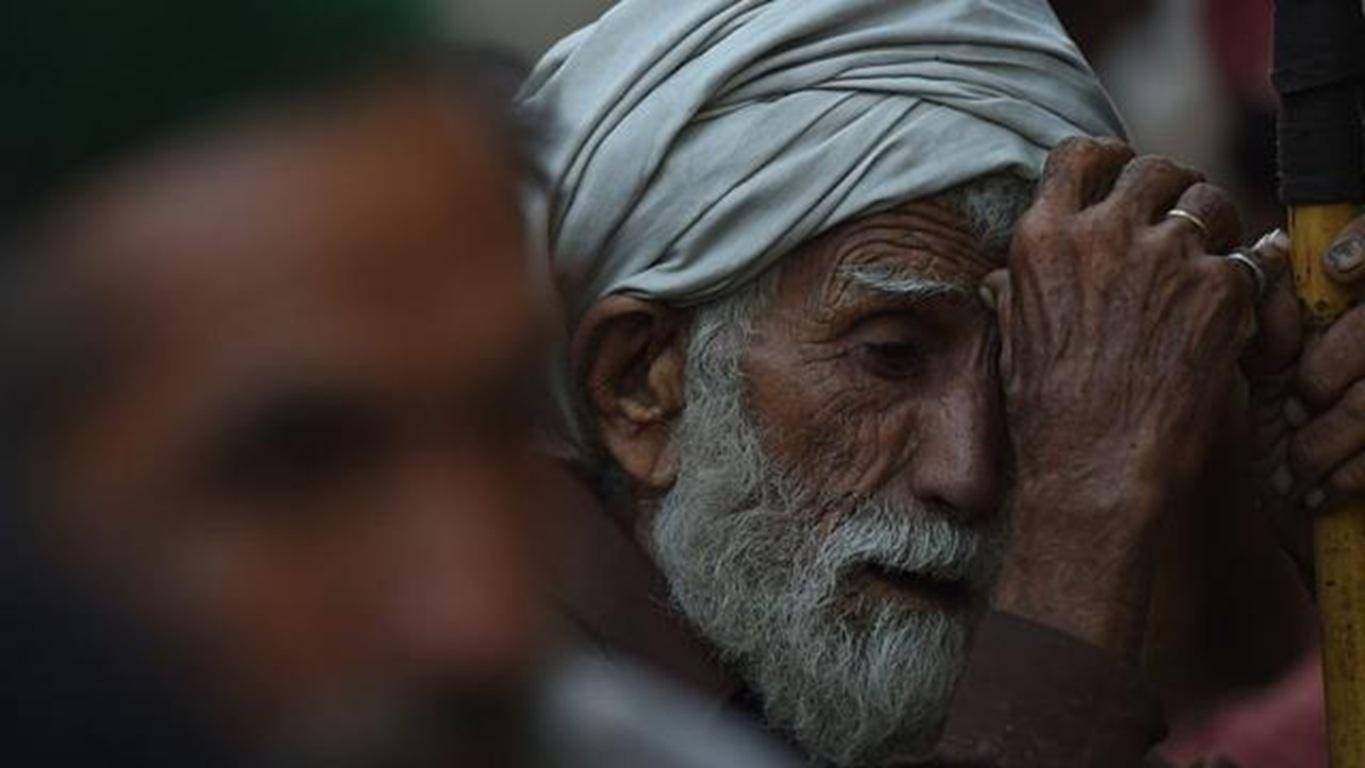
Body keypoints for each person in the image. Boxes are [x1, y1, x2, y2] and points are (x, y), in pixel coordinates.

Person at [517, 1, 1359, 765]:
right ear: (639, 383)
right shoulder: (471, 697)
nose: (970, 472)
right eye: (889, 356)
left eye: (1032, 371)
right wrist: (1084, 519)